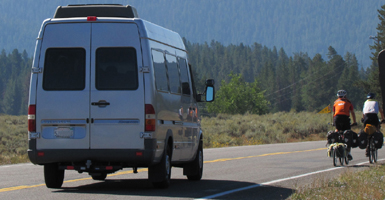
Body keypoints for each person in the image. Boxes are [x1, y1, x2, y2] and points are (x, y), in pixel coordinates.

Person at [333, 90, 357, 160]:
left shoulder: (335, 102)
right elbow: (352, 112)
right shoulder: (348, 102)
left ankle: (335, 144)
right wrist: (354, 122)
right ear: (345, 96)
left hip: (337, 118)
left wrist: (334, 123)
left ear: (338, 96)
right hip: (345, 119)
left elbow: (334, 114)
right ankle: (348, 153)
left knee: (337, 131)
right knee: (348, 134)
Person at [362, 92, 385, 157]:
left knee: (366, 130)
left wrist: (363, 119)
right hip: (374, 116)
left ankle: (367, 147)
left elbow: (363, 112)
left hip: (366, 117)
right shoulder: (376, 102)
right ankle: (376, 141)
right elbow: (381, 111)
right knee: (377, 128)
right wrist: (383, 119)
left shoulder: (365, 102)